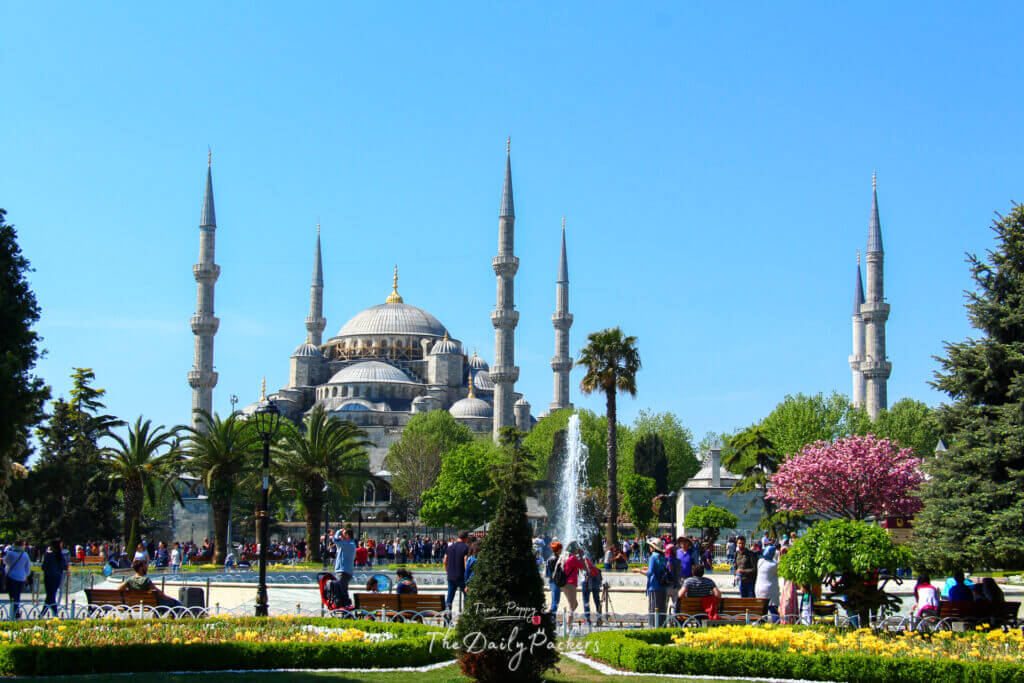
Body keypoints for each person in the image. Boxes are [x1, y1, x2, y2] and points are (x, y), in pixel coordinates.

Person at [632, 537, 669, 626]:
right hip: (663, 587)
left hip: (654, 586)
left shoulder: (653, 557)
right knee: (662, 609)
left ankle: (653, 626)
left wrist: (639, 570)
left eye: (650, 546)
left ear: (654, 547)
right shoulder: (663, 557)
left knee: (653, 608)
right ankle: (662, 626)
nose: (649, 548)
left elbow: (650, 573)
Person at [117, 560, 181, 607]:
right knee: (177, 603)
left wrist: (129, 592)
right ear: (141, 568)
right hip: (150, 604)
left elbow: (119, 588)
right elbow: (160, 593)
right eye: (145, 566)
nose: (146, 568)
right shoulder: (146, 580)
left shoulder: (129, 580)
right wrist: (170, 598)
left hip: (134, 604)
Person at [3, 540, 32, 620]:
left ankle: (14, 613)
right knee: (17, 596)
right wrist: (26, 576)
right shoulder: (25, 554)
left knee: (12, 596)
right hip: (21, 578)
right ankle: (16, 612)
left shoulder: (10, 554)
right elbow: (27, 569)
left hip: (11, 577)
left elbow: (5, 562)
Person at [443, 530, 470, 611]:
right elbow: (466, 563)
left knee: (449, 598)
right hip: (461, 576)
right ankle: (466, 614)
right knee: (467, 596)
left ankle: (447, 617)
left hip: (451, 576)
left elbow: (444, 561)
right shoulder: (465, 548)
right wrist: (467, 576)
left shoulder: (450, 548)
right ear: (466, 538)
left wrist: (447, 571)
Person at [40, 540, 68, 617]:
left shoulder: (48, 555)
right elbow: (64, 567)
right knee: (51, 595)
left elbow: (43, 567)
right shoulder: (60, 556)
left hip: (48, 577)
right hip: (57, 577)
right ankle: (46, 613)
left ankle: (49, 613)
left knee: (50, 595)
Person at [332, 527, 357, 608]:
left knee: (341, 591)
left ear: (347, 535)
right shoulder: (349, 544)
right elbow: (338, 542)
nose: (341, 536)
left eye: (344, 534)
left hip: (343, 571)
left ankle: (345, 608)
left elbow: (335, 540)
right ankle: (345, 607)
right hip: (345, 571)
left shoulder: (349, 545)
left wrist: (338, 531)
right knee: (343, 591)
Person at [559, 542, 586, 617]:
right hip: (570, 583)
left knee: (575, 604)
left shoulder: (565, 557)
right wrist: (580, 555)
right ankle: (568, 627)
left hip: (564, 584)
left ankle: (566, 621)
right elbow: (584, 567)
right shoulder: (573, 558)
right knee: (572, 606)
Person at [755, 546, 780, 620]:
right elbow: (780, 566)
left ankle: (762, 623)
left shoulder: (760, 561)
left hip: (759, 588)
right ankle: (776, 623)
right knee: (773, 608)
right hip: (770, 589)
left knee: (762, 609)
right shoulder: (774, 565)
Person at [581, 551, 603, 626]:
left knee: (586, 601)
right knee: (597, 600)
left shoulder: (582, 556)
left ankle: (587, 620)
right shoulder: (594, 554)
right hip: (596, 580)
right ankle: (599, 619)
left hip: (586, 580)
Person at [545, 542, 563, 613]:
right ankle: (552, 617)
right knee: (556, 600)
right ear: (558, 550)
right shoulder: (558, 559)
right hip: (556, 581)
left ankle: (553, 617)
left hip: (551, 581)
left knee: (554, 599)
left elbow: (548, 573)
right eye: (561, 548)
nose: (562, 550)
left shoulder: (549, 559)